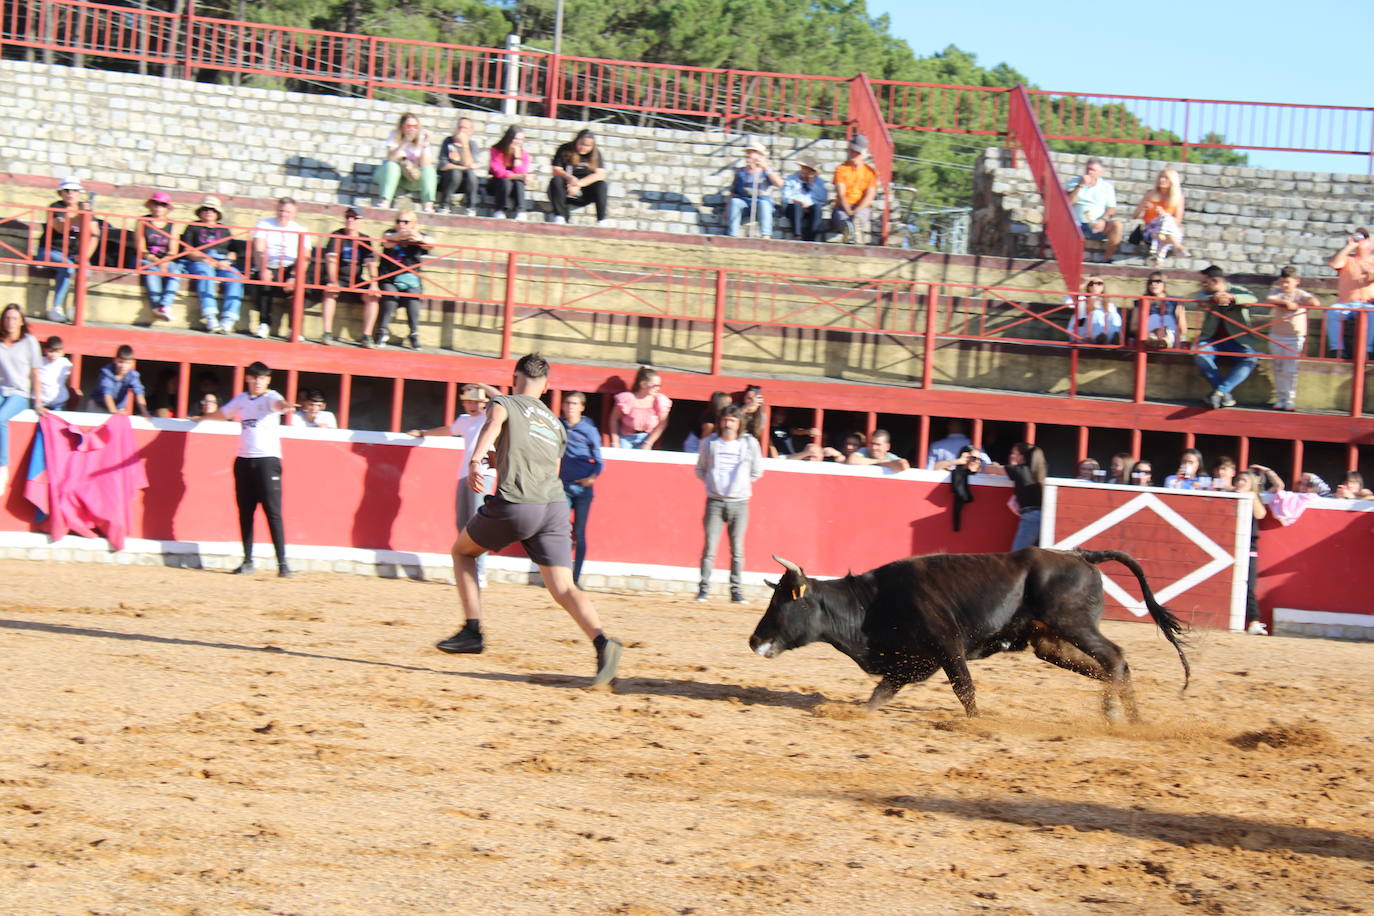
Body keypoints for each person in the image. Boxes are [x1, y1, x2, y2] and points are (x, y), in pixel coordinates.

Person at [435, 354, 623, 687]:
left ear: (515, 376)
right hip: (553, 506)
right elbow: (548, 467)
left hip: (517, 502)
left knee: (462, 552)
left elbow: (492, 427)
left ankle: (472, 631)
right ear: (545, 385)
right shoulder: (554, 422)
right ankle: (602, 642)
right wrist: (498, 457)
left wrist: (476, 461)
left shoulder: (502, 402)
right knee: (564, 587)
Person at [204, 361, 294, 578]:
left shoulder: (271, 397)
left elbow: (278, 403)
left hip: (267, 461)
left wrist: (285, 405)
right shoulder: (242, 400)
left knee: (273, 512)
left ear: (268, 380)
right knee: (246, 512)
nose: (257, 382)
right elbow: (223, 413)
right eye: (254, 378)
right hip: (244, 460)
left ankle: (282, 563)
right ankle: (247, 560)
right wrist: (202, 417)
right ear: (248, 379)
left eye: (262, 378)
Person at [408, 384, 497, 588]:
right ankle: (466, 572)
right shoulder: (464, 421)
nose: (473, 405)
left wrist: (482, 384)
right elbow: (448, 431)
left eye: (477, 401)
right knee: (463, 525)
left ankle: (479, 573)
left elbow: (502, 399)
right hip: (464, 475)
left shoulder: (490, 417)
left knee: (478, 524)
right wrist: (423, 433)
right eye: (469, 401)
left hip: (484, 474)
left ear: (484, 403)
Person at [694, 404, 764, 604]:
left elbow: (757, 471)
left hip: (740, 503)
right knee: (710, 548)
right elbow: (700, 469)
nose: (728, 424)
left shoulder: (749, 444)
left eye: (732, 420)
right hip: (715, 501)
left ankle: (736, 590)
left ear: (739, 423)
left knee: (737, 550)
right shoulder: (710, 443)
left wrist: (740, 486)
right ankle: (703, 589)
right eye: (725, 420)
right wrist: (714, 485)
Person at [1192, 265, 1259, 409]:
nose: (1203, 286)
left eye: (1206, 282)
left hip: (1238, 341)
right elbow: (1199, 297)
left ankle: (1218, 392)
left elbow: (1252, 298)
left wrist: (1232, 298)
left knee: (1250, 359)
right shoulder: (1206, 292)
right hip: (1212, 340)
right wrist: (1214, 297)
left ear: (1215, 281)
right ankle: (1224, 394)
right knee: (1201, 355)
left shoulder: (1236, 290)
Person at [179, 195, 244, 334]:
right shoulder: (192, 227)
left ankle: (228, 319)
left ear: (218, 214)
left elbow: (233, 252)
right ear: (200, 212)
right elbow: (188, 250)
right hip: (199, 260)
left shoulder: (224, 229)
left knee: (236, 277)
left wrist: (227, 262)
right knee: (205, 273)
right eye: (206, 209)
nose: (209, 212)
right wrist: (204, 259)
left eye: (213, 210)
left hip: (221, 261)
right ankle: (210, 316)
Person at [0, 304, 47, 495]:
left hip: (20, 393)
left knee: (0, 419)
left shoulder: (29, 342)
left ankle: (2, 467)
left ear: (21, 321)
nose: (10, 322)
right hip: (1, 389)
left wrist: (38, 401)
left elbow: (36, 373)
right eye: (7, 318)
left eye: (14, 318)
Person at [40, 177, 101, 323]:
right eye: (67, 190)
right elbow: (61, 227)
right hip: (50, 250)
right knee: (67, 267)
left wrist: (85, 256)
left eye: (74, 190)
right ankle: (56, 307)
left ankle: (75, 309)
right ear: (61, 193)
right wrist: (79, 216)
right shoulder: (56, 207)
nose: (70, 194)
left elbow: (95, 234)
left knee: (85, 270)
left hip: (72, 254)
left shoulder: (84, 209)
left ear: (79, 193)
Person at [371, 211, 433, 350]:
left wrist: (419, 238)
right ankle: (382, 331)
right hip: (389, 278)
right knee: (390, 296)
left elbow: (431, 243)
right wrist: (402, 235)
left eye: (405, 222)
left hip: (410, 279)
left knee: (413, 297)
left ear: (414, 224)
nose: (401, 224)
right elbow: (386, 241)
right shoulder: (390, 232)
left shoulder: (419, 235)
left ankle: (414, 334)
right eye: (398, 221)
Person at [251, 198, 311, 340]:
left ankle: (294, 329)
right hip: (270, 263)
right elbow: (258, 249)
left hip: (291, 266)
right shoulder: (264, 224)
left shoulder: (301, 230)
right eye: (281, 210)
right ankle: (264, 323)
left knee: (299, 287)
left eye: (288, 212)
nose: (283, 214)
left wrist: (295, 276)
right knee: (264, 281)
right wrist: (263, 269)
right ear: (276, 210)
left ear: (294, 213)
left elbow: (306, 256)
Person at [559, 391, 602, 586]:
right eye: (568, 403)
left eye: (575, 404)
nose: (571, 407)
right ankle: (561, 576)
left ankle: (574, 578)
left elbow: (599, 461)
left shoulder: (589, 430)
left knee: (579, 532)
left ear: (582, 407)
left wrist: (592, 477)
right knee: (559, 530)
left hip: (583, 488)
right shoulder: (558, 425)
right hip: (563, 486)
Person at [320, 207, 379, 346]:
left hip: (356, 280)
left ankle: (367, 336)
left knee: (373, 296)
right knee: (330, 292)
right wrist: (333, 281)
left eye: (354, 217)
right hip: (338, 277)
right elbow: (331, 260)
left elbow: (371, 262)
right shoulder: (337, 235)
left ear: (361, 221)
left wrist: (374, 283)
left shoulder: (365, 239)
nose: (350, 220)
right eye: (348, 217)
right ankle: (327, 333)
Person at [1265, 266, 1317, 411]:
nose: (1284, 285)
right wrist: (1285, 303)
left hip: (1294, 338)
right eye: (1282, 282)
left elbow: (1314, 302)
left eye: (1287, 282)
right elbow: (1270, 298)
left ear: (1296, 281)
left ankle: (1289, 399)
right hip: (1276, 336)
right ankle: (1280, 398)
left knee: (1290, 369)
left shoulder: (1300, 294)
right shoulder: (1277, 292)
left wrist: (1300, 303)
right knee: (1278, 367)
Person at [1323, 229, 1374, 358]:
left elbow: (1371, 278)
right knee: (1332, 312)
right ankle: (1337, 350)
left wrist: (1370, 271)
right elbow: (1335, 263)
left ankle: (1365, 351)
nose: (1360, 242)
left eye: (1363, 238)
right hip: (1345, 303)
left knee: (1372, 315)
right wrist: (1349, 246)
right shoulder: (1347, 259)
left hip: (1366, 304)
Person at [986, 442, 1046, 550]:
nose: (1012, 455)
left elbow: (990, 470)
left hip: (1031, 517)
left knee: (1017, 556)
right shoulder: (1037, 472)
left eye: (1015, 453)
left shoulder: (1021, 470)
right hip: (1040, 516)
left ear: (1022, 457)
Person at [375, 112, 437, 212]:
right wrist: (405, 142)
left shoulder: (421, 138)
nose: (412, 129)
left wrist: (425, 144)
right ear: (402, 127)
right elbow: (391, 158)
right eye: (409, 126)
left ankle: (428, 206)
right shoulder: (394, 135)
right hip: (391, 176)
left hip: (412, 177)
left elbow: (426, 164)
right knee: (392, 166)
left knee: (429, 170)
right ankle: (384, 202)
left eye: (415, 126)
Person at [1233, 468, 1269, 635]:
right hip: (1230, 547)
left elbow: (1260, 514)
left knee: (1249, 586)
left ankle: (1254, 621)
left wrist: (1252, 495)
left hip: (1249, 549)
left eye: (1244, 481)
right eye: (1238, 479)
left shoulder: (1253, 498)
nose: (1240, 483)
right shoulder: (1229, 495)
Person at [1065, 158, 1122, 263]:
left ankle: (1107, 258)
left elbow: (1111, 209)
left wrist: (1103, 220)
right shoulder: (1074, 182)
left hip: (1096, 223)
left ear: (1100, 172)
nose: (1089, 172)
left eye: (1092, 170)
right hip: (1077, 222)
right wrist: (1080, 185)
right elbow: (1068, 203)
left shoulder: (1106, 187)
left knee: (1117, 225)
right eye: (1087, 169)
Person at [547, 129, 608, 225]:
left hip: (584, 191)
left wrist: (578, 184)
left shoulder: (596, 154)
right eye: (581, 144)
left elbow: (600, 174)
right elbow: (556, 170)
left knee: (602, 185)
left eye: (587, 146)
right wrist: (569, 178)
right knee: (556, 180)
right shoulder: (565, 149)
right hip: (564, 190)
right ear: (576, 140)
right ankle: (559, 216)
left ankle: (601, 220)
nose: (583, 148)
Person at [136, 191, 180, 321]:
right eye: (155, 204)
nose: (158, 207)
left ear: (167, 208)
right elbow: (141, 248)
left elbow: (173, 250)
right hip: (146, 258)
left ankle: (165, 306)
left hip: (165, 259)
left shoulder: (173, 225)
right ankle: (156, 305)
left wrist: (164, 261)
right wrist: (155, 260)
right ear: (150, 205)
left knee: (176, 271)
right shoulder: (143, 221)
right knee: (151, 270)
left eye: (162, 204)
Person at [726, 144, 782, 238]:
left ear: (759, 155)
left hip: (761, 201)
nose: (748, 155)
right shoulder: (740, 172)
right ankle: (732, 235)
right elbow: (733, 191)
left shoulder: (766, 171)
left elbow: (779, 183)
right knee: (735, 202)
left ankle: (765, 235)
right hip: (743, 201)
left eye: (751, 152)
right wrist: (727, 208)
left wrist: (766, 168)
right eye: (747, 152)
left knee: (764, 204)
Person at [1132, 168, 1187, 264]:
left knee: (1165, 220)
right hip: (1150, 230)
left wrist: (1163, 214)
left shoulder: (1178, 197)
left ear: (1172, 181)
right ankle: (1177, 246)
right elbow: (1134, 216)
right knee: (1164, 221)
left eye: (1166, 178)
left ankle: (1158, 260)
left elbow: (1178, 221)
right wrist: (1143, 207)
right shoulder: (1150, 194)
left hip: (1166, 232)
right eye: (1160, 177)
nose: (1161, 180)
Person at [831, 135, 877, 245]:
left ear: (862, 154)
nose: (853, 154)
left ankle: (853, 235)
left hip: (860, 208)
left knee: (858, 219)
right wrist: (849, 212)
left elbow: (869, 197)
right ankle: (851, 234)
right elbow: (841, 195)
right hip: (842, 208)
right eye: (852, 150)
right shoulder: (841, 169)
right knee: (845, 221)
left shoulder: (870, 172)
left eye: (857, 152)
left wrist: (855, 212)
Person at [611, 366, 671, 449]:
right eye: (655, 386)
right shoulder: (627, 398)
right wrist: (615, 441)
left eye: (659, 385)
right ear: (643, 384)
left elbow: (662, 423)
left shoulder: (659, 400)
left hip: (646, 438)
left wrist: (649, 443)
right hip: (625, 438)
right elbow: (613, 419)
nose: (658, 388)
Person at [86, 344, 150, 416]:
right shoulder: (106, 373)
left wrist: (144, 411)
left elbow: (139, 393)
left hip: (118, 408)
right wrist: (114, 412)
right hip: (98, 407)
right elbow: (107, 395)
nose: (124, 366)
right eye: (121, 362)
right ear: (115, 360)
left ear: (132, 363)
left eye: (127, 363)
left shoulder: (133, 375)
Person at [436, 117, 481, 215]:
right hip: (448, 180)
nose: (461, 130)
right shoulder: (448, 142)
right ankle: (444, 205)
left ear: (470, 131)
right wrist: (464, 167)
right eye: (459, 127)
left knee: (471, 175)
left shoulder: (472, 145)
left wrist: (464, 144)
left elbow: (469, 163)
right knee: (455, 172)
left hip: (465, 182)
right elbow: (443, 165)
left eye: (464, 128)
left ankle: (471, 208)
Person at [487, 126, 532, 220]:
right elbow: (498, 172)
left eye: (521, 140)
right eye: (516, 139)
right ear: (509, 138)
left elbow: (521, 172)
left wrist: (517, 157)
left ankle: (520, 211)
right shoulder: (496, 150)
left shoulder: (524, 155)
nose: (518, 142)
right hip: (497, 185)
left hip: (514, 188)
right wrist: (518, 176)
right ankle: (500, 210)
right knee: (505, 181)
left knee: (518, 183)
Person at [1135, 272, 1187, 349]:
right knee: (1154, 317)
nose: (1153, 284)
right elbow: (1134, 327)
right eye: (1150, 282)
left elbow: (1183, 330)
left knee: (1166, 319)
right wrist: (1155, 330)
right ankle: (1154, 339)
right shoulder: (1141, 302)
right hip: (1149, 332)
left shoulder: (1175, 302)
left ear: (1164, 284)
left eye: (1157, 281)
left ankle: (1164, 340)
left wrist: (1179, 316)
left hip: (1169, 332)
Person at [781, 159, 828, 241]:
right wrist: (797, 201)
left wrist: (812, 184)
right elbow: (785, 196)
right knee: (796, 206)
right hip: (794, 206)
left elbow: (823, 198)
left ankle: (811, 238)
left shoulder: (819, 181)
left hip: (810, 207)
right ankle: (797, 235)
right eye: (803, 168)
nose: (805, 171)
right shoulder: (791, 179)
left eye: (808, 170)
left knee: (817, 208)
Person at [1066, 276, 1121, 345]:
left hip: (1104, 337)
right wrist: (1083, 286)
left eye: (1099, 283)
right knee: (1096, 313)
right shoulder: (1082, 298)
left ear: (1103, 287)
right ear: (1088, 286)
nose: (1095, 285)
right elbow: (1069, 303)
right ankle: (1098, 337)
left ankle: (1113, 337)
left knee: (1115, 315)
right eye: (1091, 283)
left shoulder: (1109, 304)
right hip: (1081, 334)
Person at [38, 335, 76, 411]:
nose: (53, 354)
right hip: (42, 401)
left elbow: (69, 380)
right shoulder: (40, 362)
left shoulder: (65, 363)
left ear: (62, 352)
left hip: (59, 401)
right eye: (50, 351)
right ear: (45, 350)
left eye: (57, 352)